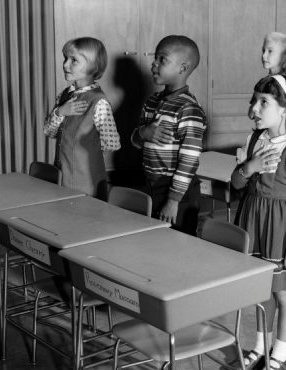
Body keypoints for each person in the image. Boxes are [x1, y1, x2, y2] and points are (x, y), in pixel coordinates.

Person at [226, 74, 286, 370]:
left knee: (283, 292)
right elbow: (237, 183)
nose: (253, 107)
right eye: (254, 100)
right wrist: (249, 167)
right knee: (260, 290)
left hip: (282, 230)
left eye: (262, 102)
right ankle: (259, 347)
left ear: (285, 109)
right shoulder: (255, 140)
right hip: (255, 224)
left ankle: (280, 353)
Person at [131, 35, 206, 235]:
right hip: (151, 182)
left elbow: (189, 160)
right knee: (154, 239)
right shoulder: (151, 101)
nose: (154, 64)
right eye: (155, 58)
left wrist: (173, 201)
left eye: (162, 59)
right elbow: (136, 142)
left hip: (178, 191)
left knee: (178, 244)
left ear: (182, 68)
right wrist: (143, 133)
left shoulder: (189, 108)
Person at [44, 37, 120, 200]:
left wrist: (87, 154)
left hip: (86, 181)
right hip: (61, 175)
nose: (65, 64)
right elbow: (49, 132)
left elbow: (112, 143)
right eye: (65, 58)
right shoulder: (64, 96)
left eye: (73, 60)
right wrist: (60, 112)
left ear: (94, 66)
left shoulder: (98, 102)